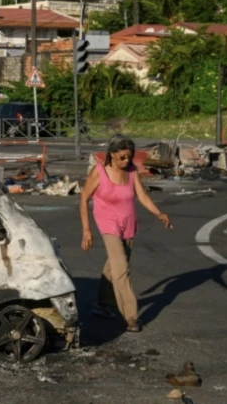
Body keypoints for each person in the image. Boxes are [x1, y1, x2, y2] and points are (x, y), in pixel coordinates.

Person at [80, 134, 172, 333]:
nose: (126, 160)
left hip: (128, 223)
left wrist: (159, 213)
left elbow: (141, 195)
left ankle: (102, 304)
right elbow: (84, 198)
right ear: (111, 154)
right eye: (122, 157)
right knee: (122, 269)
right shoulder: (99, 172)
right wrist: (86, 230)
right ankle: (131, 317)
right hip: (107, 223)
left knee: (114, 266)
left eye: (129, 156)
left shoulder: (131, 171)